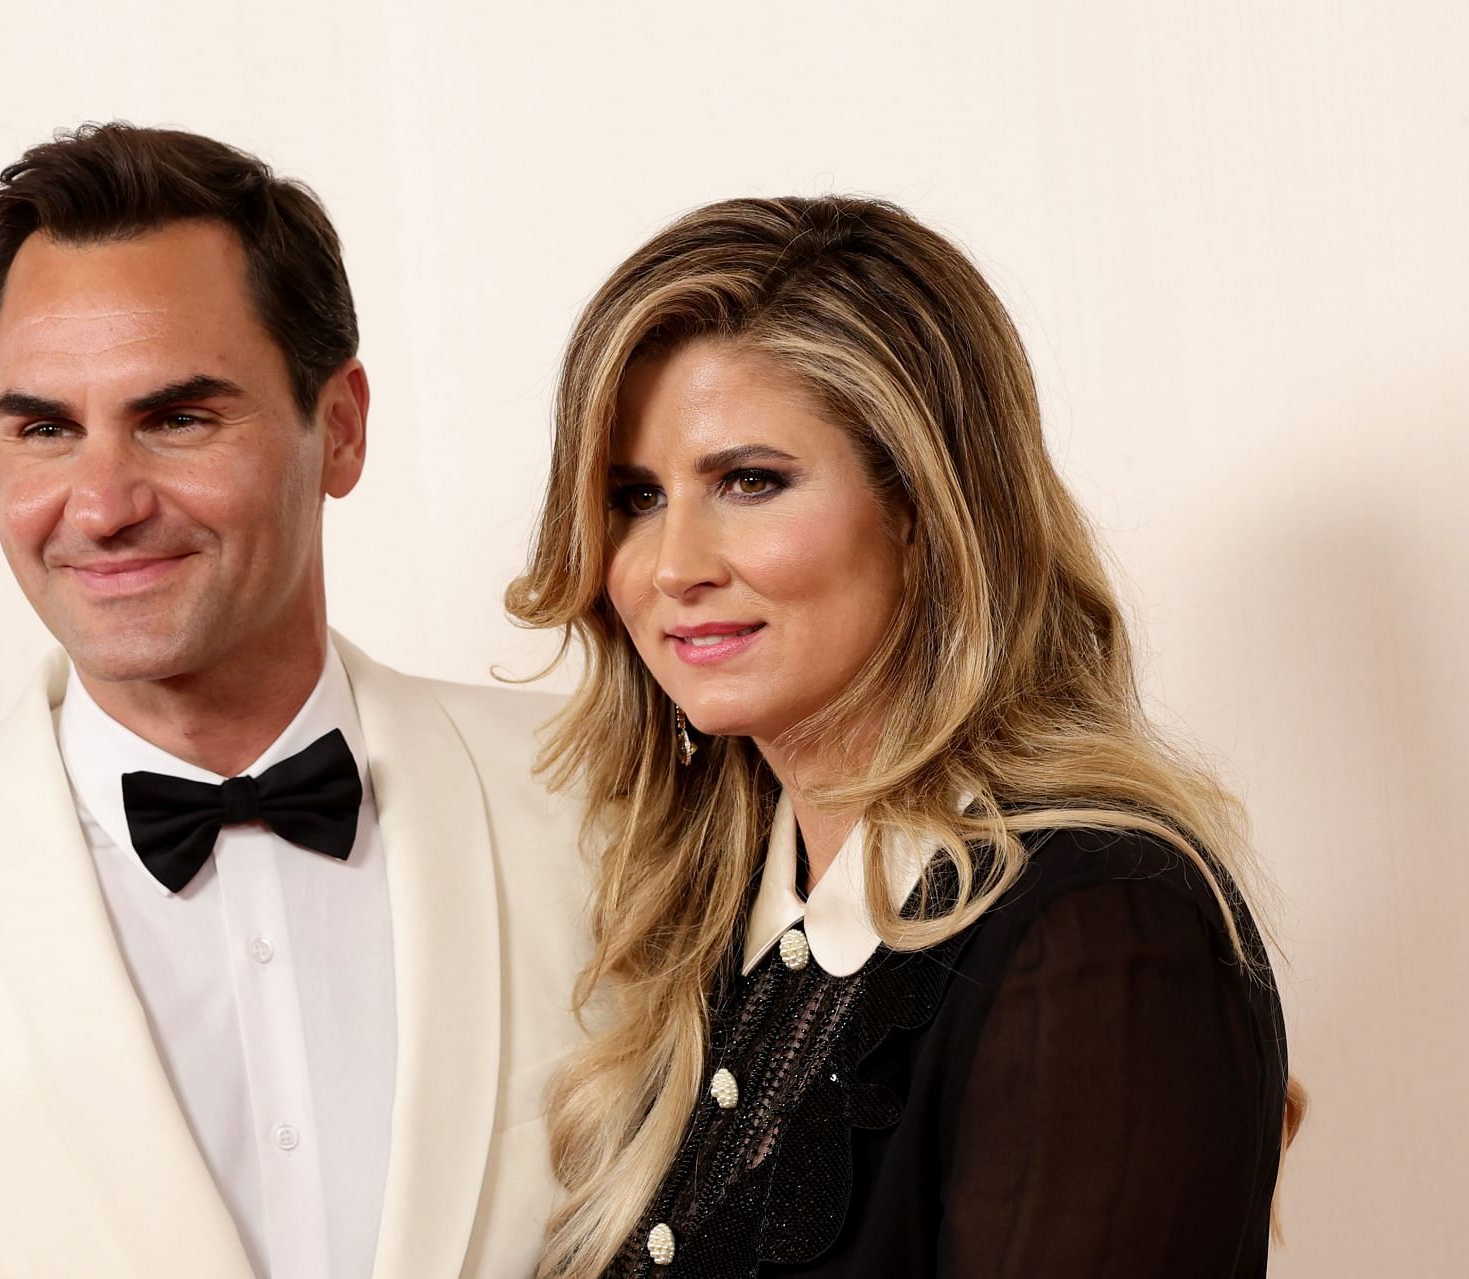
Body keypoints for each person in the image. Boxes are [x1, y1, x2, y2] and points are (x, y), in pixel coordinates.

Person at [0, 123, 588, 1279]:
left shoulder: (603, 808)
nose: (103, 505)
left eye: (176, 418)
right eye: (45, 429)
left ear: (343, 428)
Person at [509, 196, 1303, 1277]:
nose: (669, 565)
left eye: (750, 481)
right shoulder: (708, 926)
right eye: (635, 497)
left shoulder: (1106, 931)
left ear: (928, 508)